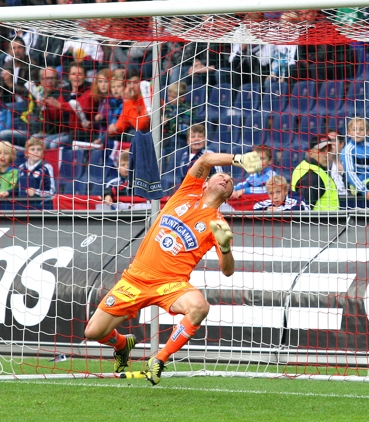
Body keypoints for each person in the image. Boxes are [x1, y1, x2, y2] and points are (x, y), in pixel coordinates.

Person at [84, 150, 262, 385]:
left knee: (199, 307)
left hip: (171, 284)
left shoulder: (219, 224)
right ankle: (122, 343)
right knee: (93, 333)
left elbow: (227, 271)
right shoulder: (187, 192)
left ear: (229, 195)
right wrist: (237, 160)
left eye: (230, 180)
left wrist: (226, 247)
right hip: (135, 279)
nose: (226, 179)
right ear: (206, 182)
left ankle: (159, 359)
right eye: (221, 176)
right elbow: (206, 159)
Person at [292, 135, 340, 211]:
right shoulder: (312, 176)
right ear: (310, 153)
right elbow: (304, 210)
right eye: (321, 151)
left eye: (329, 150)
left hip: (327, 221)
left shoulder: (318, 170)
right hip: (319, 222)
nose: (326, 155)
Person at [17, 137, 56, 209]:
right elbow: (18, 189)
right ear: (26, 153)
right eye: (32, 149)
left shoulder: (47, 168)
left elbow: (52, 192)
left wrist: (36, 192)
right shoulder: (21, 168)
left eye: (39, 149)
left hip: (40, 207)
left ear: (43, 152)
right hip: (22, 208)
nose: (36, 152)